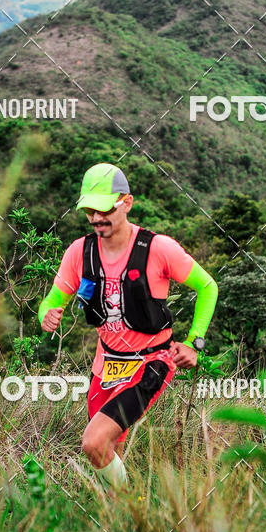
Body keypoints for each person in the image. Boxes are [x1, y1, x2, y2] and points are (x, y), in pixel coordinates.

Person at [38, 163, 218, 492]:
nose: (96, 218)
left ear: (127, 203)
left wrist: (194, 342)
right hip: (105, 365)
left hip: (151, 362)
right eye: (90, 210)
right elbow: (51, 301)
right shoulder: (80, 252)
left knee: (93, 442)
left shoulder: (157, 248)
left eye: (105, 208)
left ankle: (132, 502)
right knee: (108, 450)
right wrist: (47, 314)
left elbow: (208, 287)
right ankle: (123, 522)